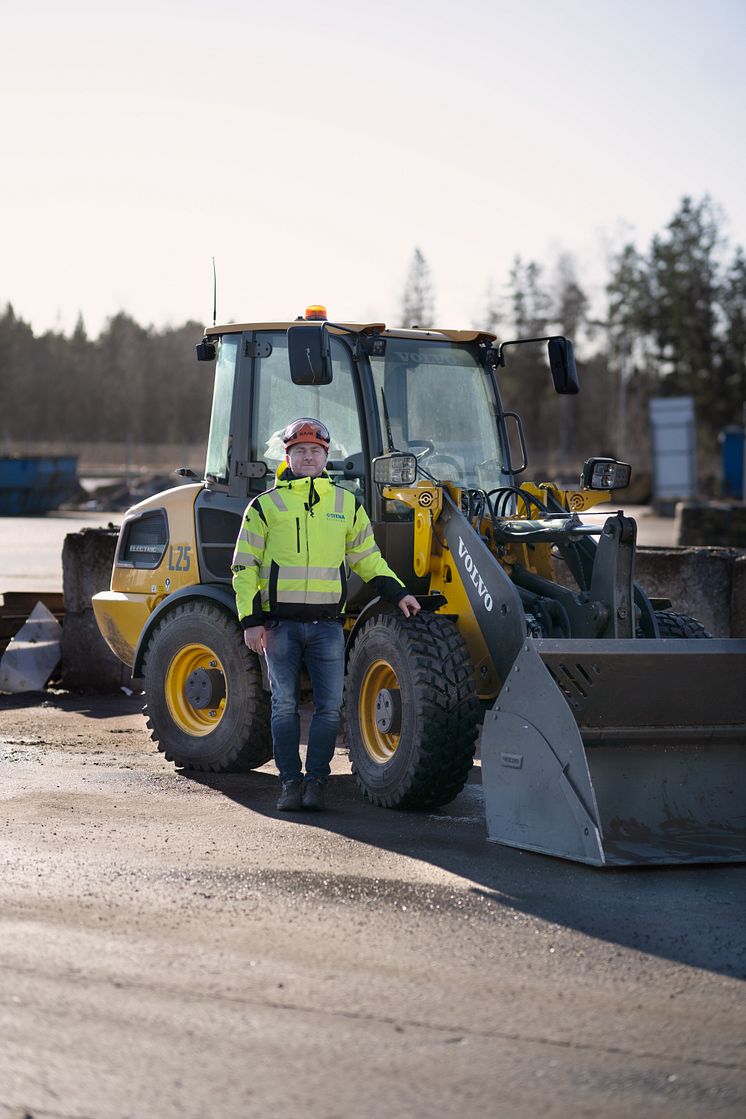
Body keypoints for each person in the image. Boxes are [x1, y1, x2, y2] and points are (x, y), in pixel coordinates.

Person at [231, 417, 421, 812]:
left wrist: (397, 592)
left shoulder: (346, 504)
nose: (308, 457)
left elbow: (368, 559)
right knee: (283, 706)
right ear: (287, 456)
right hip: (278, 626)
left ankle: (316, 781)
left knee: (329, 707)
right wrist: (251, 621)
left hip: (327, 627)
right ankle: (289, 784)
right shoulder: (265, 507)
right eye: (299, 451)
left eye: (315, 451)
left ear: (325, 456)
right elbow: (244, 567)